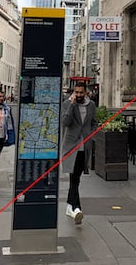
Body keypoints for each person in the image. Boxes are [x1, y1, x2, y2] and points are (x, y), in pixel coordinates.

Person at [60, 82, 97, 224]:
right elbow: (66, 122)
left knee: (76, 178)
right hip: (71, 146)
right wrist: (72, 105)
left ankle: (70, 206)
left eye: (81, 92)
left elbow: (93, 122)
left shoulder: (91, 105)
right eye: (76, 92)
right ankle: (76, 208)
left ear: (86, 92)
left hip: (84, 147)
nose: (79, 95)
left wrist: (92, 134)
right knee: (74, 177)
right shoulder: (67, 104)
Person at [0, 90, 15, 187]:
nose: (1, 98)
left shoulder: (7, 109)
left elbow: (10, 124)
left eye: (2, 96)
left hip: (2, 137)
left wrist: (10, 137)